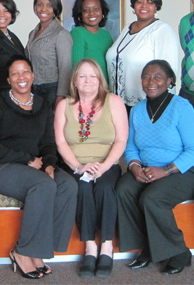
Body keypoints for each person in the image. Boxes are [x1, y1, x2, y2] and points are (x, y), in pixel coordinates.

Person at [0, 55, 77, 279]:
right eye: (15, 73)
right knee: (43, 185)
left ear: (33, 76)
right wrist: (27, 159)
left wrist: (51, 164)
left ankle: (42, 249)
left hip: (35, 165)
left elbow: (48, 142)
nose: (21, 77)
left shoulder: (43, 105)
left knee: (67, 186)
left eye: (25, 72)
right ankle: (22, 251)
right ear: (8, 79)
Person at [116, 60, 194, 275]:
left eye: (157, 77)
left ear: (169, 81)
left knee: (152, 199)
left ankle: (180, 252)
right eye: (146, 77)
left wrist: (165, 170)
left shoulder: (182, 107)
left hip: (181, 171)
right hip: (145, 168)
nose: (151, 81)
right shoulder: (136, 110)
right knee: (123, 189)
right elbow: (131, 147)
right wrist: (134, 167)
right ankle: (147, 247)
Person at [54, 59, 128, 278]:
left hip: (107, 163)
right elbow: (60, 143)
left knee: (105, 188)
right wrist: (79, 167)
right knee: (83, 189)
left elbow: (121, 140)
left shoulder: (114, 102)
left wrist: (104, 167)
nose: (88, 81)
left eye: (93, 76)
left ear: (100, 80)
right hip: (74, 164)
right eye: (83, 76)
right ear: (75, 81)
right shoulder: (63, 106)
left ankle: (106, 247)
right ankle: (90, 247)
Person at [106, 0, 178, 113]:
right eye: (140, 1)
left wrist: (164, 107)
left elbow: (169, 71)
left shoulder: (161, 30)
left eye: (150, 2)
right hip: (118, 103)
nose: (144, 5)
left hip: (147, 104)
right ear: (134, 6)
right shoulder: (127, 28)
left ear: (156, 7)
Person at [25, 0, 73, 109]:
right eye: (40, 5)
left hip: (51, 90)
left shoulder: (61, 34)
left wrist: (60, 97)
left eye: (49, 5)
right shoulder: (32, 33)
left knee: (50, 127)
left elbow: (65, 69)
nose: (43, 9)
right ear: (35, 7)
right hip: (32, 88)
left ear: (55, 8)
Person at [70, 0, 114, 84]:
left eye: (96, 9)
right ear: (80, 14)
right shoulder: (77, 33)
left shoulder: (106, 35)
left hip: (106, 89)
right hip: (87, 89)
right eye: (86, 10)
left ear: (102, 11)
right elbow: (76, 68)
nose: (92, 13)